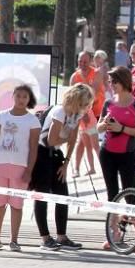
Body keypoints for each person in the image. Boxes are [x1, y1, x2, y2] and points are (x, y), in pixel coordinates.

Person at [30, 84, 94, 251]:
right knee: (42, 194)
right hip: (42, 153)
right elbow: (50, 140)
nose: (86, 108)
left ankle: (61, 236)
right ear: (76, 101)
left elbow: (73, 139)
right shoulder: (60, 111)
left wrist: (66, 163)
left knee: (63, 195)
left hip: (56, 154)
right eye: (84, 104)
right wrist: (66, 140)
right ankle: (45, 238)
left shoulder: (77, 114)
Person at [99, 67, 135, 250]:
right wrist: (105, 125)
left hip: (128, 154)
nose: (111, 85)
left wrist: (122, 129)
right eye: (110, 82)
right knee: (111, 194)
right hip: (107, 153)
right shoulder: (108, 103)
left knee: (130, 195)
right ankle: (114, 234)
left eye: (115, 82)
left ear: (124, 81)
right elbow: (98, 128)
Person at [0, 84, 40, 252]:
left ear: (29, 99)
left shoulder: (33, 121)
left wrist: (29, 171)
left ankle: (14, 240)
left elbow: (33, 148)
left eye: (25, 97)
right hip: (1, 165)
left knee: (17, 204)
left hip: (20, 167)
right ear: (13, 96)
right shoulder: (0, 117)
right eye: (18, 96)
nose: (21, 99)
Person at [70, 51, 103, 176]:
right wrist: (80, 113)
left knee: (94, 145)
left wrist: (83, 111)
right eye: (80, 61)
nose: (82, 64)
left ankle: (103, 168)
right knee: (82, 143)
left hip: (95, 113)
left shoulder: (96, 73)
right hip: (82, 114)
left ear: (90, 61)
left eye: (85, 61)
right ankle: (78, 169)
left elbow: (91, 93)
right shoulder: (74, 77)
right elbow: (71, 98)